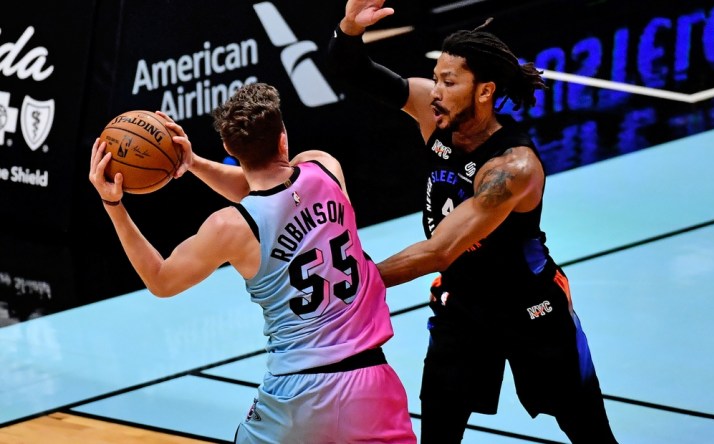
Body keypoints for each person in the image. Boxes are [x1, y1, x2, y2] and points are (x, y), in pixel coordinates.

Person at [324, 1, 619, 443]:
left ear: (484, 91)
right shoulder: (433, 112)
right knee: (439, 436)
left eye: (449, 81)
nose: (436, 90)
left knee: (591, 435)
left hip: (531, 310)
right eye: (437, 77)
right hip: (461, 308)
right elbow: (356, 70)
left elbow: (440, 249)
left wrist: (352, 284)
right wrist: (348, 29)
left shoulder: (512, 168)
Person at [88, 82, 416, 444]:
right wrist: (193, 163)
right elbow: (272, 191)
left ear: (229, 149)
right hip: (372, 381)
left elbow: (161, 280)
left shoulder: (230, 227)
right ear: (283, 139)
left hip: (298, 393)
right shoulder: (324, 169)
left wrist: (114, 206)